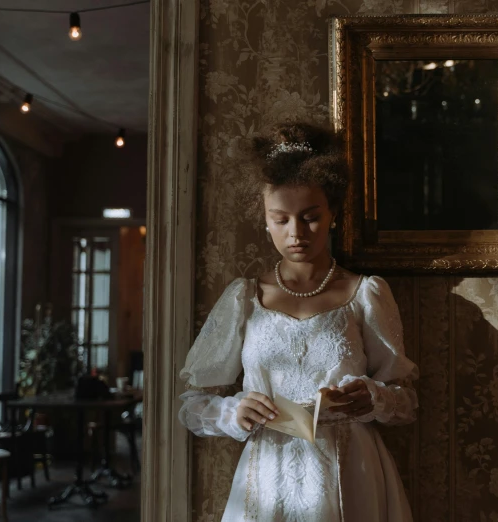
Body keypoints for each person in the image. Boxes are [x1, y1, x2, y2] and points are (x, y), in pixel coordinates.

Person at [178, 121, 419, 522]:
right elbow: (191, 406)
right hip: (268, 473)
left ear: (333, 215)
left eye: (310, 217)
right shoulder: (244, 298)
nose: (296, 233)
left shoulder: (367, 294)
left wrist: (372, 397)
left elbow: (406, 401)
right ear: (266, 220)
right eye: (281, 219)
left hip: (351, 471)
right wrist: (233, 411)